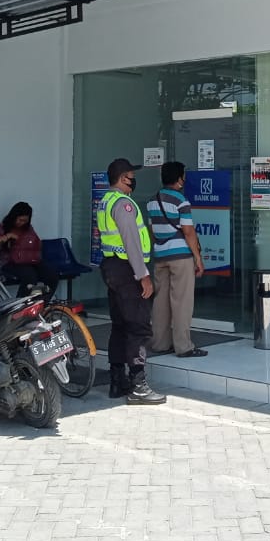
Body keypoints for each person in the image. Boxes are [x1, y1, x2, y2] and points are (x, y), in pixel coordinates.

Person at [96, 156, 165, 405]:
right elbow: (131, 242)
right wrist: (143, 275)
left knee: (120, 325)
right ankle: (138, 385)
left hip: (112, 267)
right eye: (131, 177)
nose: (133, 181)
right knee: (137, 325)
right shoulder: (123, 204)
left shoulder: (105, 201)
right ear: (123, 178)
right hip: (127, 269)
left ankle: (117, 381)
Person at [146, 161, 206, 358]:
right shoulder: (181, 201)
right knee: (182, 301)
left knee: (160, 301)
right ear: (179, 178)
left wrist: (159, 246)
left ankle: (160, 343)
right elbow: (188, 232)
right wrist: (197, 258)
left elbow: (151, 230)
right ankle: (184, 346)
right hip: (180, 257)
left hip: (160, 256)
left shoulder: (152, 201)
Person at [0, 201, 59, 297]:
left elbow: (36, 243)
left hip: (29, 260)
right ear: (14, 216)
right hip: (9, 262)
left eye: (25, 221)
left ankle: (41, 300)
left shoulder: (28, 228)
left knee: (51, 275)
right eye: (20, 220)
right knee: (30, 277)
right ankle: (20, 304)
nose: (22, 223)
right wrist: (8, 236)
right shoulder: (3, 228)